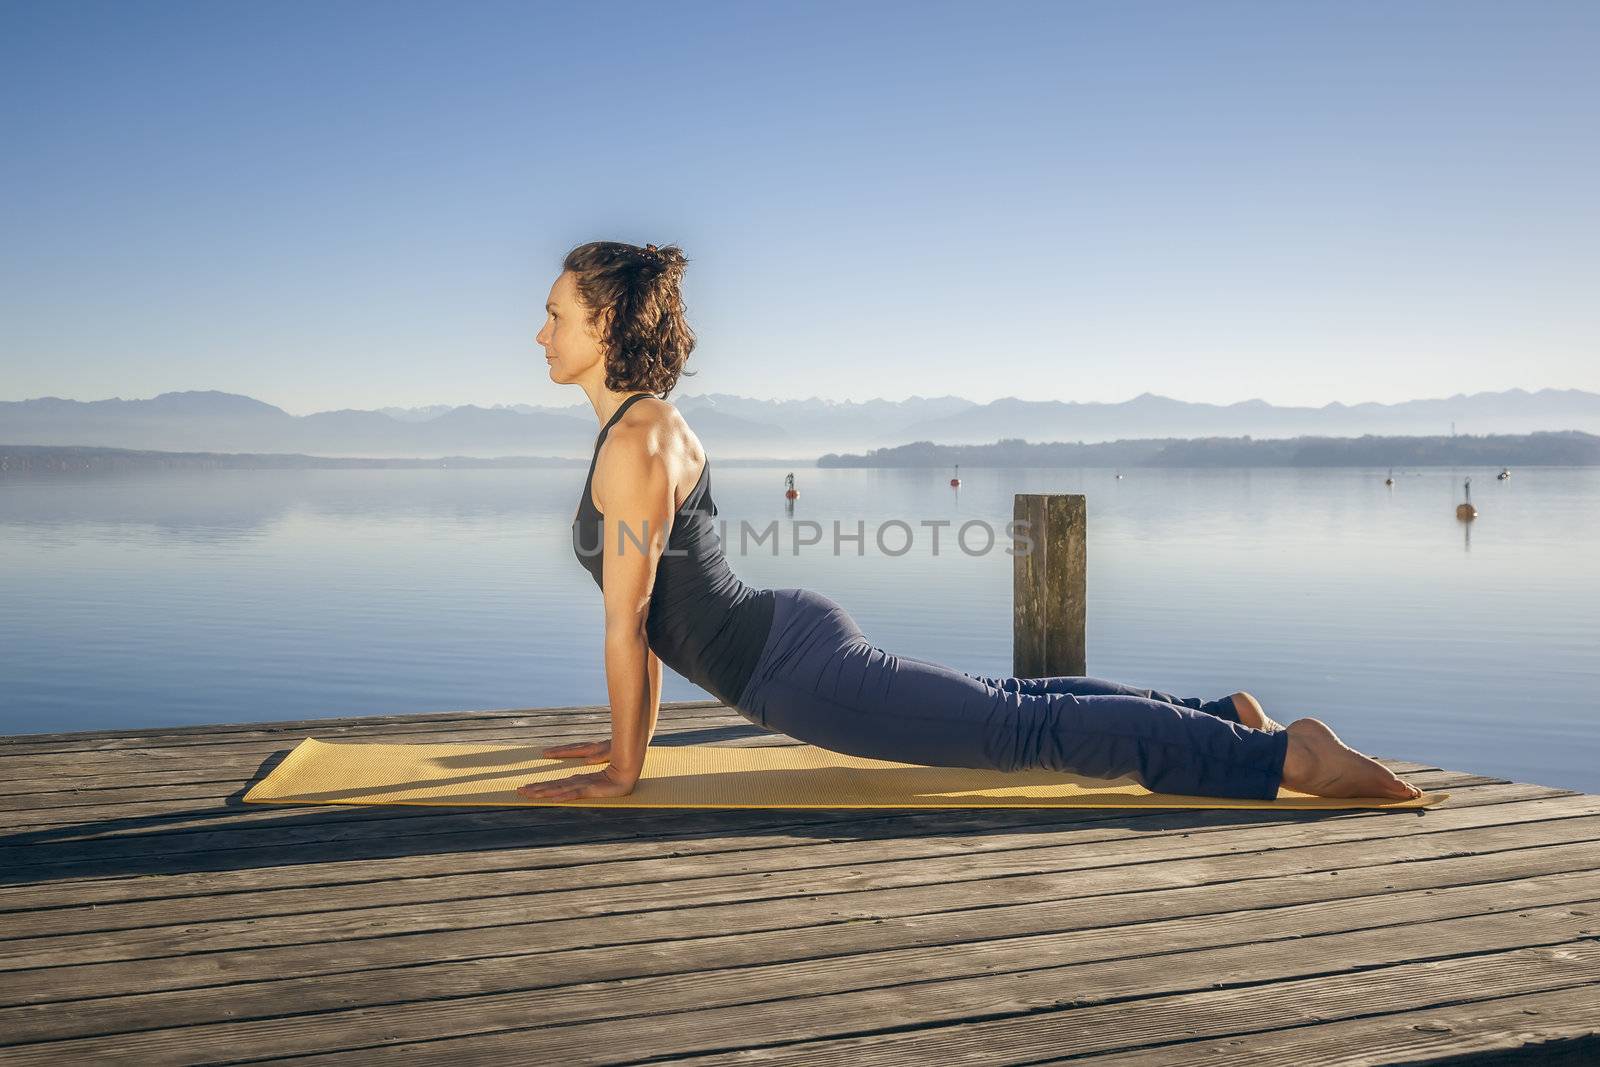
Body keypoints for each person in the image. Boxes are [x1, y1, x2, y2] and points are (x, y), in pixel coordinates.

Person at [517, 240, 1424, 806]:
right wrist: (623, 740)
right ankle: (1221, 716)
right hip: (786, 642)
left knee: (1018, 730)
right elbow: (648, 614)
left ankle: (1283, 760)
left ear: (602, 322)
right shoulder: (637, 429)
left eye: (555, 314)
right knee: (1015, 703)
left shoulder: (635, 440)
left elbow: (630, 621)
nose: (540, 332)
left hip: (790, 670)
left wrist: (621, 775)